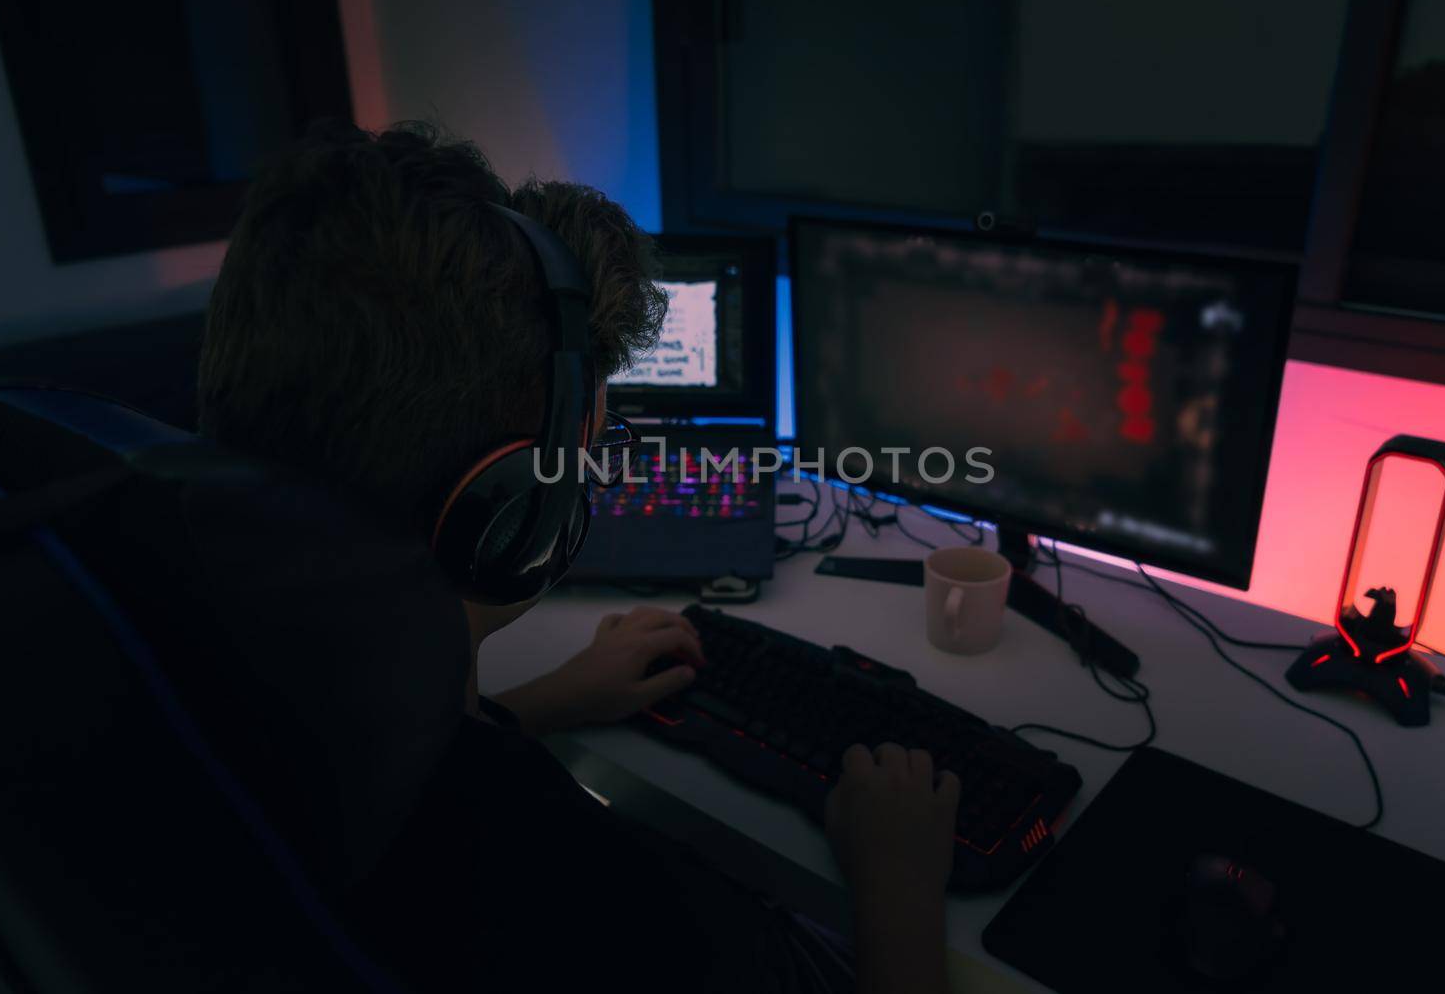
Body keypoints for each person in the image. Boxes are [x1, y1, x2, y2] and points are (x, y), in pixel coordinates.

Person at [195, 120, 960, 993]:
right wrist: (899, 886)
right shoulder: (584, 899)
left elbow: (412, 779)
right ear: (514, 502)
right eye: (601, 432)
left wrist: (540, 703)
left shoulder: (205, 679)